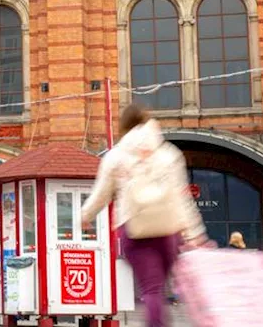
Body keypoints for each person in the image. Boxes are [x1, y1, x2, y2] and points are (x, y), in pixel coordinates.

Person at [80, 104, 208, 327]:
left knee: (151, 289)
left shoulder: (116, 156)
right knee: (160, 288)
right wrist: (195, 233)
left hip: (134, 228)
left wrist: (84, 217)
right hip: (168, 230)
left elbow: (101, 194)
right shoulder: (169, 154)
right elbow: (182, 198)